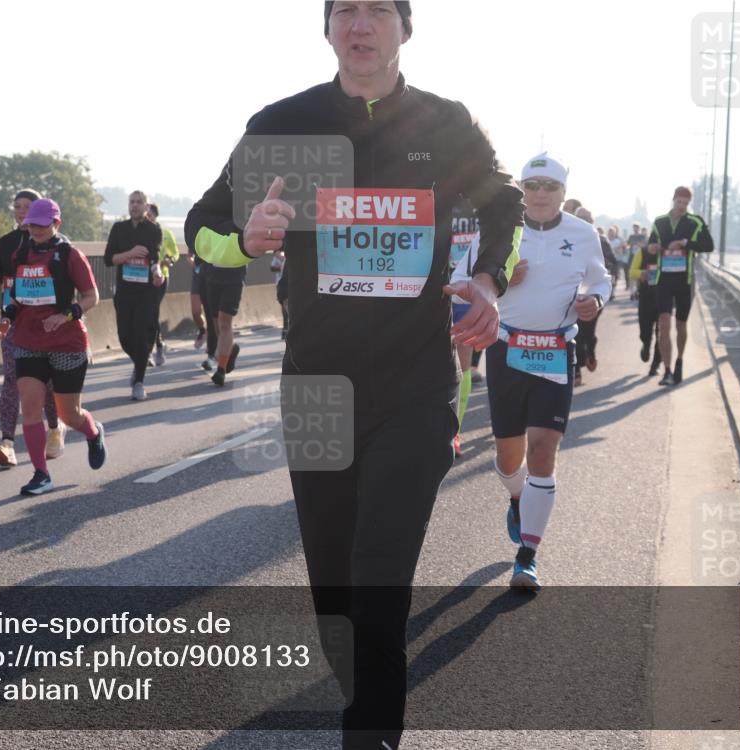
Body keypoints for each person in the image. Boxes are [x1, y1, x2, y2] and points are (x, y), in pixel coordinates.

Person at [185, 2, 524, 745]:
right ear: (328, 28)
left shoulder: (445, 124)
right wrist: (243, 241)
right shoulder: (282, 124)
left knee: (378, 588)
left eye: (378, 10)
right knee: (335, 599)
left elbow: (506, 207)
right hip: (315, 388)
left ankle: (368, 736)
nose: (360, 24)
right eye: (345, 10)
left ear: (406, 29)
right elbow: (200, 229)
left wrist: (489, 283)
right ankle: (361, 702)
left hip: (414, 388)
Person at [454, 153, 610, 589]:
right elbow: (459, 277)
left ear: (563, 191)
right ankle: (519, 498)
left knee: (543, 452)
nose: (541, 193)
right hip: (507, 348)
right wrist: (497, 279)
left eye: (550, 186)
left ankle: (528, 554)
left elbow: (601, 280)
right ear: (522, 188)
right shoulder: (498, 228)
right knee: (509, 460)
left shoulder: (583, 234)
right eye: (533, 185)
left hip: (557, 350)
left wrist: (594, 301)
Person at [0, 199, 106, 495]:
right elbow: (18, 297)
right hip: (28, 340)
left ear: (56, 224)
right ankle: (40, 474)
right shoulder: (21, 254)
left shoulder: (70, 255)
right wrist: (7, 318)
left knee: (68, 415)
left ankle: (93, 433)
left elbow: (91, 296)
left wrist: (65, 315)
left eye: (43, 225)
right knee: (30, 407)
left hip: (67, 342)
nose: (36, 230)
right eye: (32, 224)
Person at [0, 189, 63, 468]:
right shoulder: (7, 242)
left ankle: (54, 428)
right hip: (13, 319)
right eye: (17, 207)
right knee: (11, 379)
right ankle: (7, 443)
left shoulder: (56, 245)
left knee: (47, 382)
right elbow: (1, 272)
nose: (21, 212)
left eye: (27, 208)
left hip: (44, 322)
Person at [649, 186, 714, 385]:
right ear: (673, 199)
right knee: (664, 322)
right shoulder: (659, 221)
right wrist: (652, 248)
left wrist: (685, 243)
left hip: (685, 281)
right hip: (664, 279)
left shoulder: (695, 222)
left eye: (686, 203)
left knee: (681, 324)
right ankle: (667, 371)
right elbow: (651, 244)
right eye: (679, 202)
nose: (682, 206)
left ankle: (679, 362)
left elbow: (709, 246)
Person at [104, 191, 164, 401]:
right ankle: (139, 361)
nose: (135, 206)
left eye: (140, 203)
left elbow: (155, 257)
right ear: (128, 206)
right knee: (125, 337)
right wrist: (130, 254)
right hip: (124, 291)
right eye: (132, 202)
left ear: (146, 207)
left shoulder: (153, 229)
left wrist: (157, 273)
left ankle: (138, 381)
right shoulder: (119, 229)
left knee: (143, 335)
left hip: (147, 292)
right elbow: (108, 259)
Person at [449, 197, 480, 457]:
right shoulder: (436, 190)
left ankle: (454, 429)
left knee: (463, 361)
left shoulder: (485, 198)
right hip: (431, 285)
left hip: (467, 290)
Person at [572, 207, 615, 385]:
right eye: (580, 218)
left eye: (587, 219)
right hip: (573, 295)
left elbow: (613, 261)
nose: (584, 222)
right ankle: (576, 371)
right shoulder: (567, 238)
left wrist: (599, 265)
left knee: (587, 332)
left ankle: (591, 350)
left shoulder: (600, 240)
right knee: (576, 333)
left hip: (594, 295)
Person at [204, 247, 245, 388]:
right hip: (213, 276)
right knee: (217, 326)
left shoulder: (239, 223)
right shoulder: (212, 224)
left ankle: (221, 370)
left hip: (234, 277)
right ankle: (231, 349)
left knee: (224, 323)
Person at [146, 203, 180, 365]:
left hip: (161, 277)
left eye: (149, 214)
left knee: (151, 311)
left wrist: (169, 260)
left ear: (155, 215)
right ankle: (158, 344)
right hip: (142, 278)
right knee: (147, 313)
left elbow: (175, 253)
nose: (147, 217)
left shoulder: (165, 233)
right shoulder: (139, 232)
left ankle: (152, 349)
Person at [628, 237, 661, 373]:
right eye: (653, 245)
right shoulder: (641, 253)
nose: (655, 248)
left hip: (663, 297)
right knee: (645, 328)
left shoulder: (666, 253)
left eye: (658, 245)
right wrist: (643, 273)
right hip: (646, 297)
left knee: (661, 332)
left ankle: (656, 364)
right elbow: (632, 272)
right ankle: (646, 344)